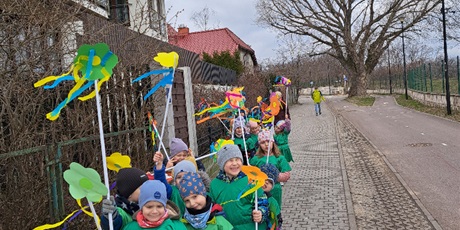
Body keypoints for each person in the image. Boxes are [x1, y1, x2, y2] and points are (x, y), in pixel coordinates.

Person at [209, 144, 269, 230]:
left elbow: (263, 201)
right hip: (226, 227)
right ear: (222, 163)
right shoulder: (214, 185)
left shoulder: (251, 180)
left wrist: (261, 213)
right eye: (230, 160)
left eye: (237, 159)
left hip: (250, 227)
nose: (234, 163)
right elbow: (212, 207)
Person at [153, 152, 211, 216]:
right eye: (179, 177)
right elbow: (161, 184)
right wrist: (159, 165)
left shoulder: (201, 189)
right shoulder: (173, 192)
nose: (182, 179)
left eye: (186, 175)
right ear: (175, 180)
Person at [249, 130, 291, 207]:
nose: (266, 144)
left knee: (274, 209)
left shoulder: (279, 158)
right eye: (263, 143)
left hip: (275, 189)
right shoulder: (255, 159)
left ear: (273, 142)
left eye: (269, 141)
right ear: (259, 145)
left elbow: (286, 175)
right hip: (260, 189)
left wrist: (273, 175)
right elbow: (250, 173)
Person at [122, 180, 187, 230]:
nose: (154, 211)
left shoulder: (176, 226)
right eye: (149, 207)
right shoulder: (131, 227)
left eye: (159, 206)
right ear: (141, 207)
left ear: (165, 206)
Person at [259, 164, 283, 230]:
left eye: (269, 182)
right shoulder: (252, 198)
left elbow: (278, 218)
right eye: (264, 180)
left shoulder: (272, 201)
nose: (266, 183)